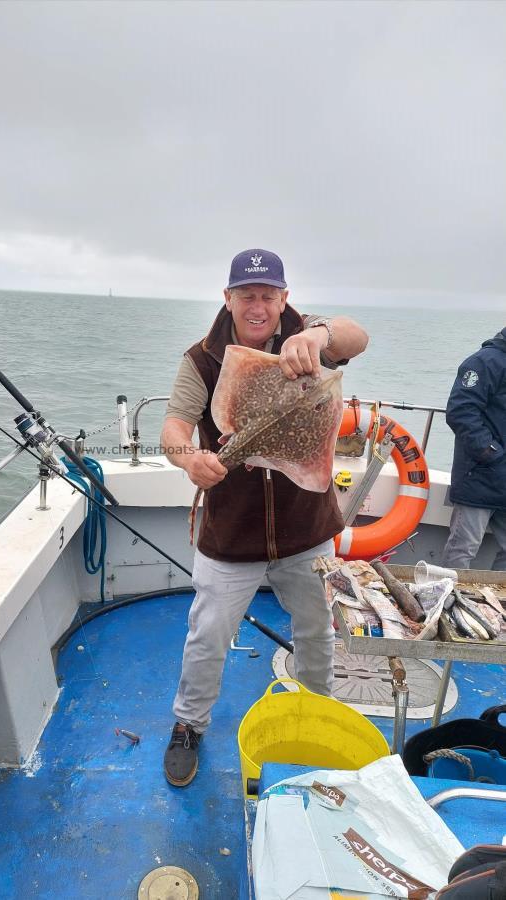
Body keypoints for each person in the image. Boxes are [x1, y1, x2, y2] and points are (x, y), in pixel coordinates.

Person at [161, 248, 369, 787]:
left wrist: (318, 338)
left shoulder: (309, 337)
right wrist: (189, 459)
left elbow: (356, 336)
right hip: (231, 532)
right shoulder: (202, 359)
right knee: (207, 634)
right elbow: (175, 428)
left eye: (268, 296)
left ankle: (317, 709)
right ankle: (189, 724)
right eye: (247, 295)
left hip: (308, 529)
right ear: (227, 298)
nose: (258, 306)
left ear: (284, 298)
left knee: (317, 631)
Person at [441, 328, 506, 571]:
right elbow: (461, 411)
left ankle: (496, 606)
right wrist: (492, 454)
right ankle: (447, 603)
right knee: (463, 548)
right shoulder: (484, 362)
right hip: (480, 474)